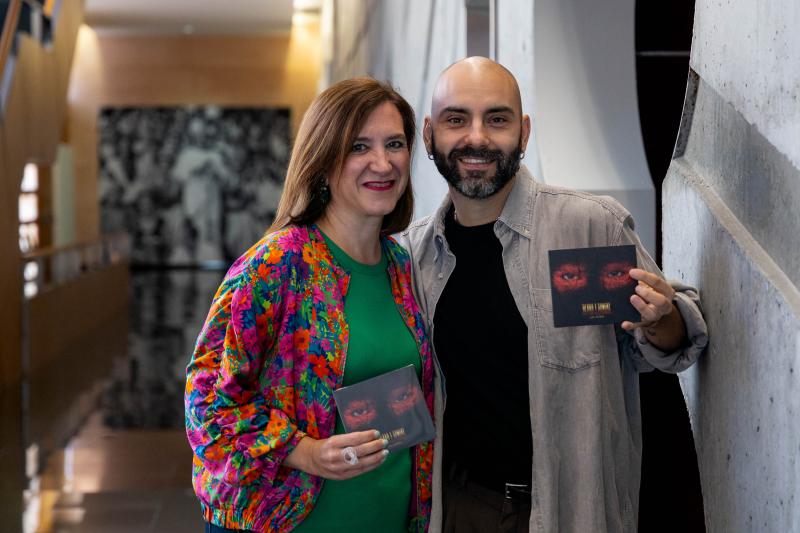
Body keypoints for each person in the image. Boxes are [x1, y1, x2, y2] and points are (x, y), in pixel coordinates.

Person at [398, 57, 709, 533]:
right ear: (428, 135)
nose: (476, 137)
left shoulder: (588, 227)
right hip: (460, 508)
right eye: (456, 119)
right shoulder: (412, 257)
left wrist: (661, 319)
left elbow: (673, 341)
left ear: (523, 133)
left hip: (575, 509)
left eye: (496, 119)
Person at [185, 78, 436, 533]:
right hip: (294, 521)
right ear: (323, 160)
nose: (383, 163)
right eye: (359, 146)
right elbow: (206, 403)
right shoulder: (277, 263)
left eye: (395, 144)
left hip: (388, 517)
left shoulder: (401, 266)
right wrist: (304, 452)